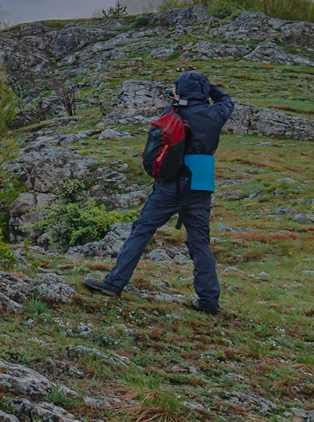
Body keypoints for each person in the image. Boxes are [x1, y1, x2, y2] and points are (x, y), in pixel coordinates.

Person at [84, 71, 234, 314]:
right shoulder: (215, 114)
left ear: (180, 92)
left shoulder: (174, 112)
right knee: (200, 242)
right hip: (201, 184)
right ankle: (209, 301)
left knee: (142, 229)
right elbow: (226, 100)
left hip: (171, 184)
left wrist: (182, 96)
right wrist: (207, 88)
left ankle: (114, 283)